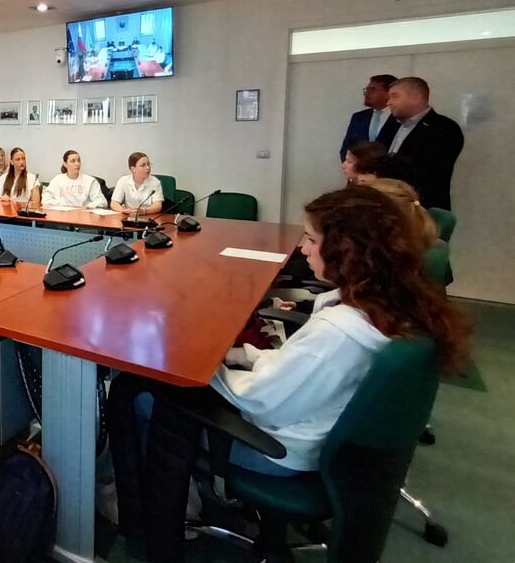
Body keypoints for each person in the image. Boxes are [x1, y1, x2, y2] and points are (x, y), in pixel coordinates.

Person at [107, 185, 469, 560]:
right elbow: (289, 373)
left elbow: (260, 400)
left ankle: (160, 515)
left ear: (347, 249)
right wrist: (242, 354)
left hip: (275, 448)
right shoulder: (384, 303)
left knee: (136, 394)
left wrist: (201, 362)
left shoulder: (338, 333)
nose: (303, 248)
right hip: (312, 430)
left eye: (311, 239)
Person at [377, 77, 464, 210]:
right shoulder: (392, 124)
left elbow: (430, 171)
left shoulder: (444, 128)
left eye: (394, 96)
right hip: (386, 202)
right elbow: (377, 154)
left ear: (415, 97)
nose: (389, 102)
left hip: (422, 207)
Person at [340, 74, 397, 161]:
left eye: (372, 90)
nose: (366, 93)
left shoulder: (400, 118)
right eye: (366, 90)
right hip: (359, 168)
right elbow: (346, 148)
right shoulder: (358, 117)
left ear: (389, 93)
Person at [42, 150, 106, 208]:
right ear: (65, 164)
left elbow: (102, 202)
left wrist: (88, 206)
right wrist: (64, 206)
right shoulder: (57, 179)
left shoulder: (90, 181)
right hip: (62, 214)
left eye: (78, 161)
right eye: (73, 161)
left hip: (83, 214)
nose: (77, 164)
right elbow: (45, 200)